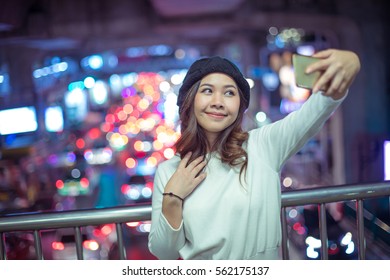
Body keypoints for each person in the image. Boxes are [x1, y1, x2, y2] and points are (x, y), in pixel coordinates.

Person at [148, 49, 361, 260]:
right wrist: (173, 198)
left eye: (229, 93)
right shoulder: (169, 171)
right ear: (190, 100)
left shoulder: (263, 146)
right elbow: (164, 253)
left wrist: (351, 60)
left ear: (240, 105)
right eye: (207, 91)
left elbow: (318, 109)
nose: (218, 101)